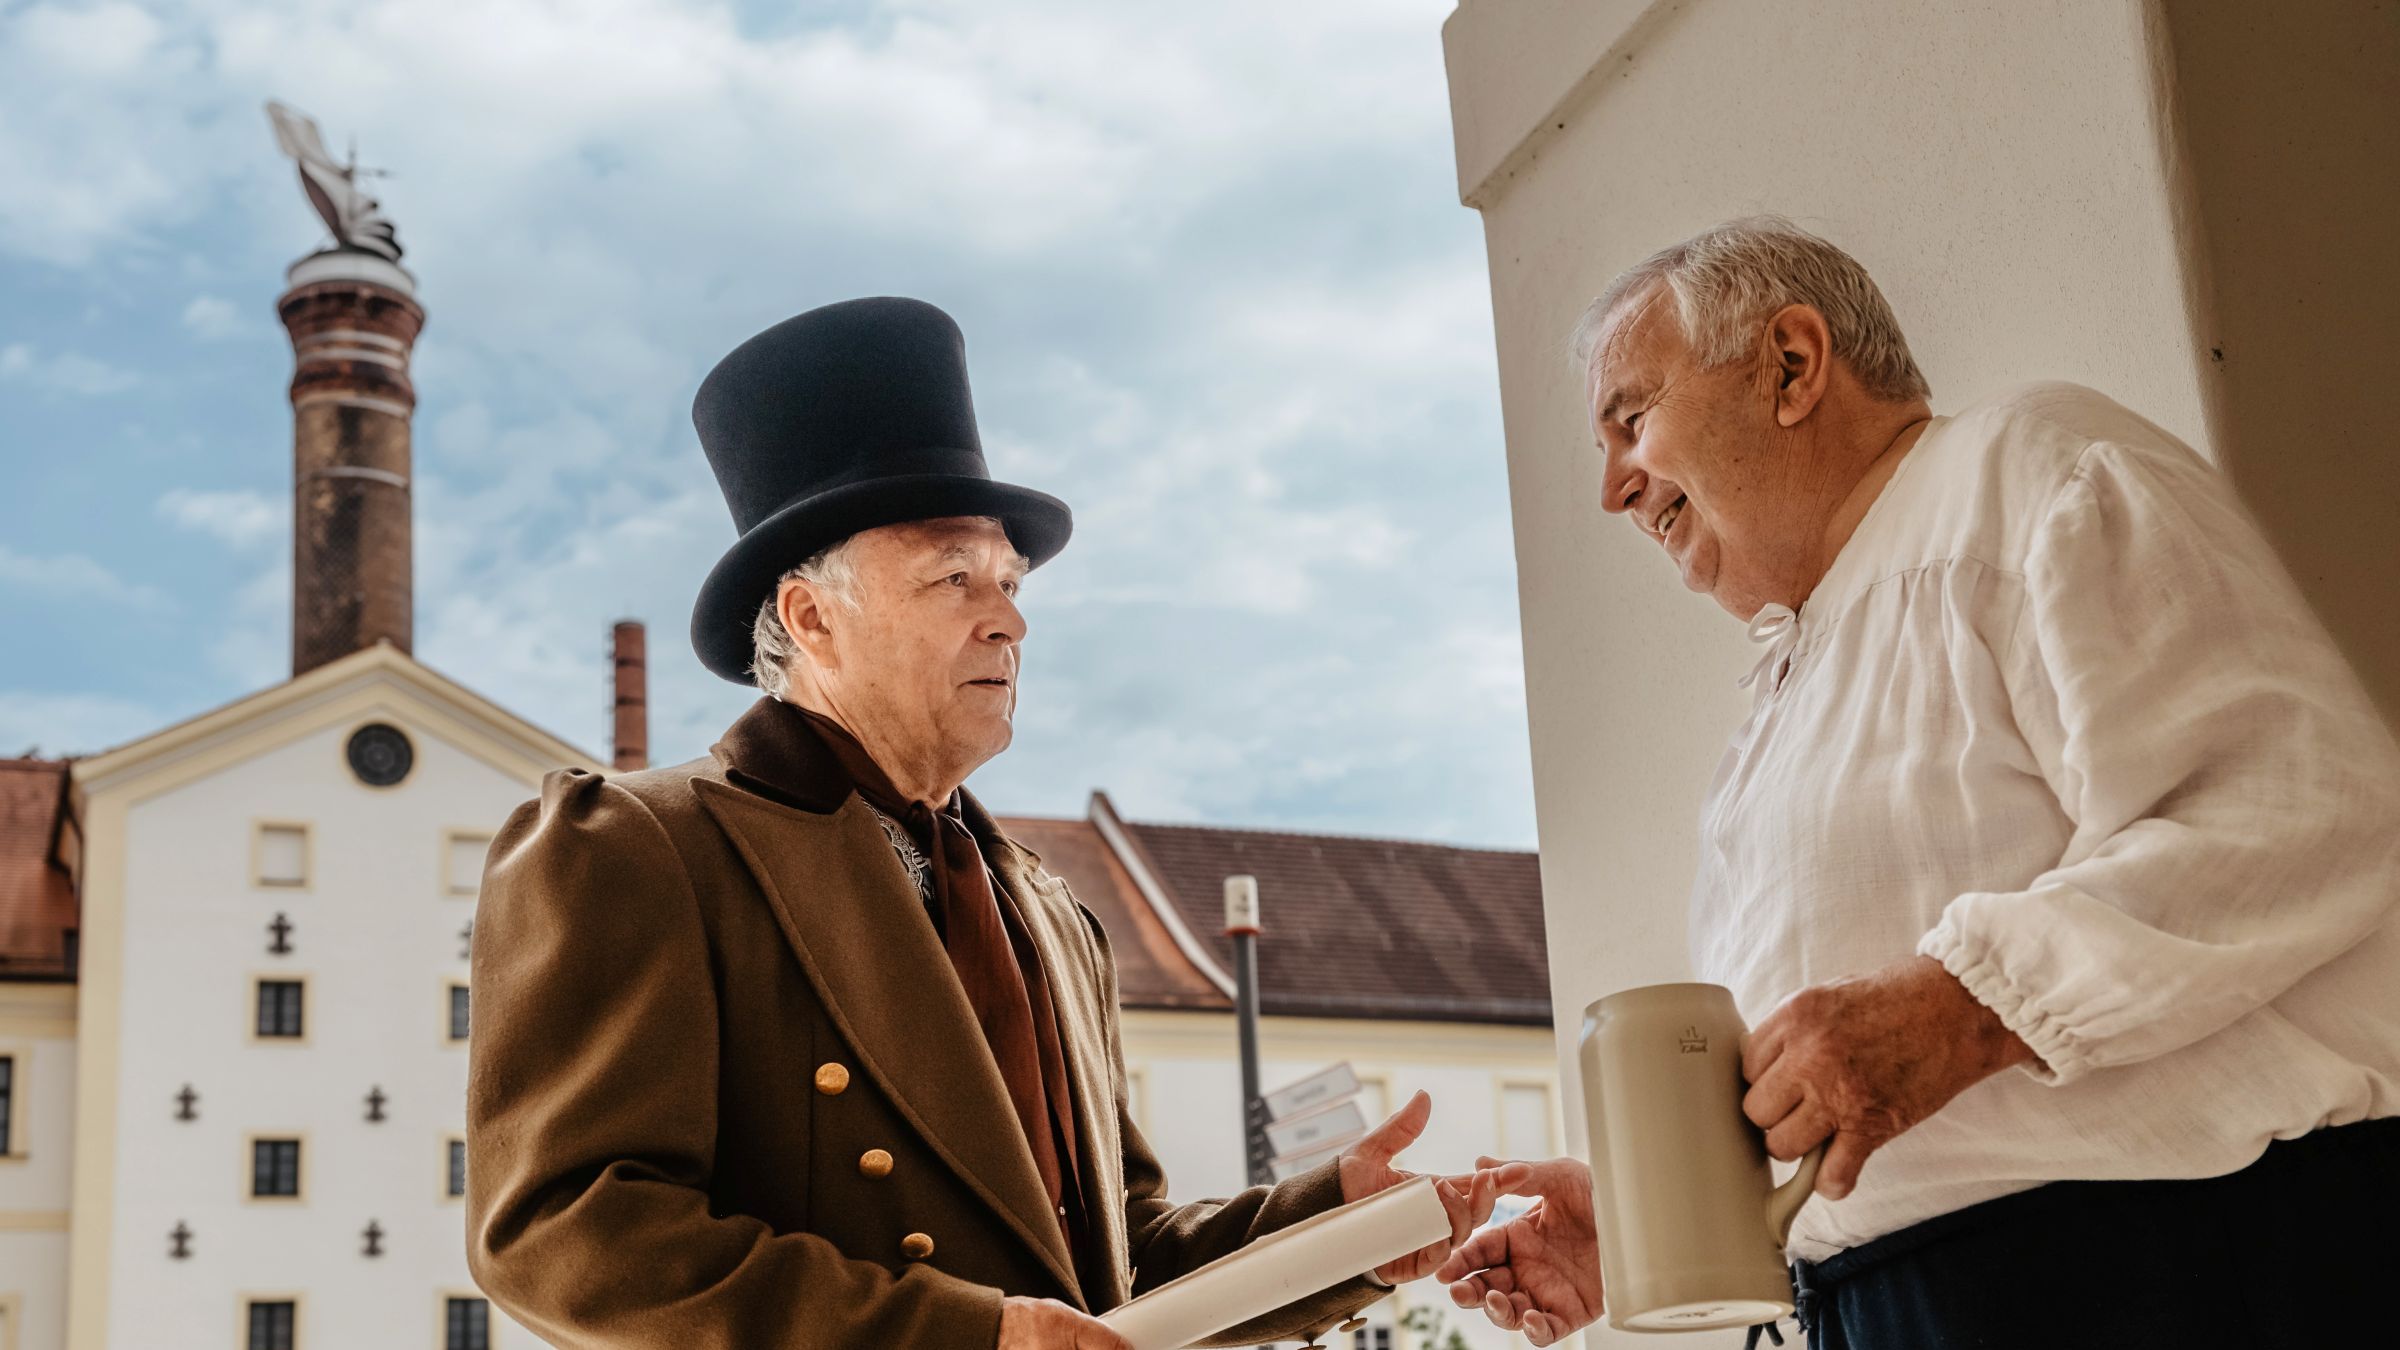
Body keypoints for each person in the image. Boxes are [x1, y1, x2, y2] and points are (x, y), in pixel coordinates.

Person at [466, 297, 1519, 1348]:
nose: (1009, 617)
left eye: (1011, 582)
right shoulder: (636, 848)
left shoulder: (1049, 909)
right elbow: (569, 1231)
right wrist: (962, 1337)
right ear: (811, 618)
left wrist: (1339, 1226)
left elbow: (1117, 1264)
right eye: (953, 576)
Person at [1439, 219, 2400, 1348]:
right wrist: (1662, 1218)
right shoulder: (1794, 676)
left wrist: (1967, 1008)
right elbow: (1872, 1100)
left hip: (2163, 1276)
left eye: (1631, 420)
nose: (1612, 489)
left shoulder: (2034, 473)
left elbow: (2293, 814)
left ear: (1792, 365)